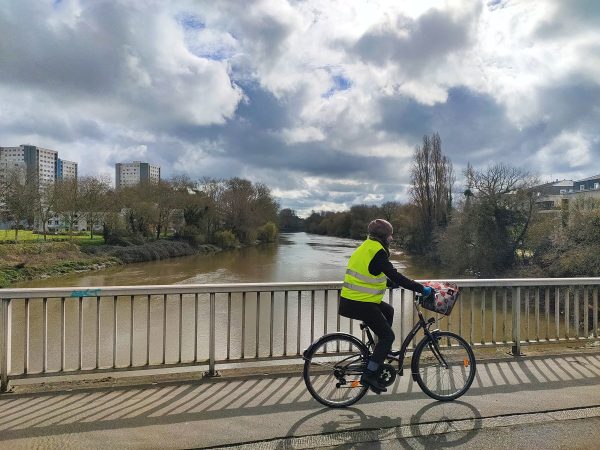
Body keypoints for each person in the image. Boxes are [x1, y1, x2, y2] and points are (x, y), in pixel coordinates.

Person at [338, 219, 433, 394]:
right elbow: (395, 274)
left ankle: (381, 354)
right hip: (360, 303)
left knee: (389, 310)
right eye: (390, 235)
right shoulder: (378, 252)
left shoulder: (366, 247)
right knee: (388, 335)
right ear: (383, 236)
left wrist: (388, 283)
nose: (392, 238)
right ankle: (370, 374)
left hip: (353, 300)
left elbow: (370, 272)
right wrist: (421, 288)